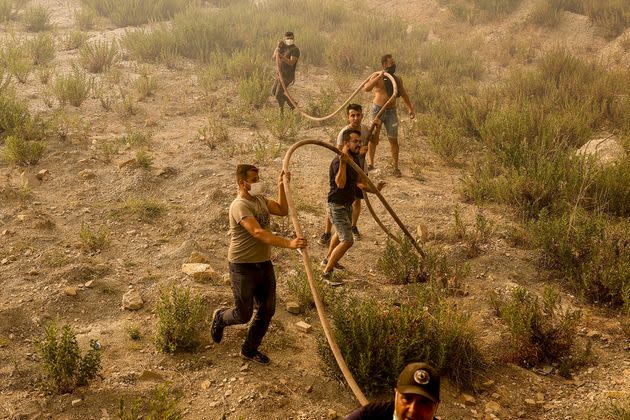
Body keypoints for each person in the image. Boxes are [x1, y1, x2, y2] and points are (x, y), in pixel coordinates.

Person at [210, 164, 307, 365]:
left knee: (267, 310)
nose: (257, 183)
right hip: (242, 266)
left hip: (264, 264)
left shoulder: (260, 200)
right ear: (241, 183)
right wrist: (289, 244)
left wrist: (282, 185)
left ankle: (249, 349)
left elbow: (281, 209)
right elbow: (257, 232)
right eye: (253, 180)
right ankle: (220, 317)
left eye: (258, 179)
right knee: (243, 314)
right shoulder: (240, 206)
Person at [322, 129, 384, 286]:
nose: (359, 144)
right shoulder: (338, 161)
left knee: (339, 233)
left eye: (359, 141)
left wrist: (376, 190)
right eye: (355, 141)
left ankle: (328, 260)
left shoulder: (354, 160)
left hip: (347, 205)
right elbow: (340, 183)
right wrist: (343, 162)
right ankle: (327, 273)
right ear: (345, 144)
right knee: (348, 240)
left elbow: (359, 183)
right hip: (336, 205)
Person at [318, 104, 375, 246]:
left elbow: (375, 141)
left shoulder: (365, 129)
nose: (355, 118)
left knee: (355, 199)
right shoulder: (344, 133)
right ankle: (327, 232)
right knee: (336, 199)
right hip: (347, 169)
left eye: (358, 115)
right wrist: (347, 162)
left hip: (360, 168)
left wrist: (378, 127)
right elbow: (341, 153)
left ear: (362, 115)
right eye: (352, 115)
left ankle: (352, 226)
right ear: (348, 117)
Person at [363, 54, 415, 177]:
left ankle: (396, 168)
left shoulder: (397, 79)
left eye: (394, 62)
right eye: (392, 63)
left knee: (393, 139)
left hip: (391, 112)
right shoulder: (377, 76)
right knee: (373, 137)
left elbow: (403, 94)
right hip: (378, 110)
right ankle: (371, 164)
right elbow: (367, 88)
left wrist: (410, 108)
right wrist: (379, 76)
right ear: (385, 64)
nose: (394, 65)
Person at [345, 362, 441, 420]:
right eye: (407, 399)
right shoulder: (366, 417)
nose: (413, 410)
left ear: (436, 407)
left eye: (423, 402)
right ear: (396, 395)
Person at [271, 31, 300, 113]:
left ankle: (281, 112)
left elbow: (291, 62)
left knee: (278, 94)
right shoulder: (282, 47)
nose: (289, 40)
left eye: (291, 38)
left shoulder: (295, 50)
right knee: (273, 92)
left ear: (294, 39)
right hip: (279, 74)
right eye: (288, 38)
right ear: (285, 38)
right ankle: (292, 104)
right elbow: (273, 57)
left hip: (287, 76)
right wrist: (277, 48)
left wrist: (281, 57)